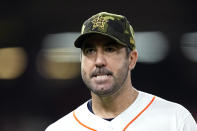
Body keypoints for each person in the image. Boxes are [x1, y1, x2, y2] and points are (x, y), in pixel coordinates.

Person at [45, 12, 197, 131]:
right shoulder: (60, 128)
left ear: (131, 59)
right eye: (90, 50)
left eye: (110, 49)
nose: (99, 61)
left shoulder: (175, 120)